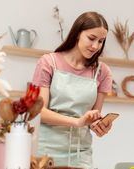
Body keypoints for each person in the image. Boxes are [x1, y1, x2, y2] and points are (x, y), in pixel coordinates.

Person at [32, 11, 113, 168]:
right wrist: (77, 122)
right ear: (77, 34)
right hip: (46, 151)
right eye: (91, 38)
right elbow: (39, 111)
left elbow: (93, 118)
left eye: (101, 41)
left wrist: (99, 125)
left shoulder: (103, 72)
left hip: (80, 153)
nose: (96, 46)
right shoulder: (49, 63)